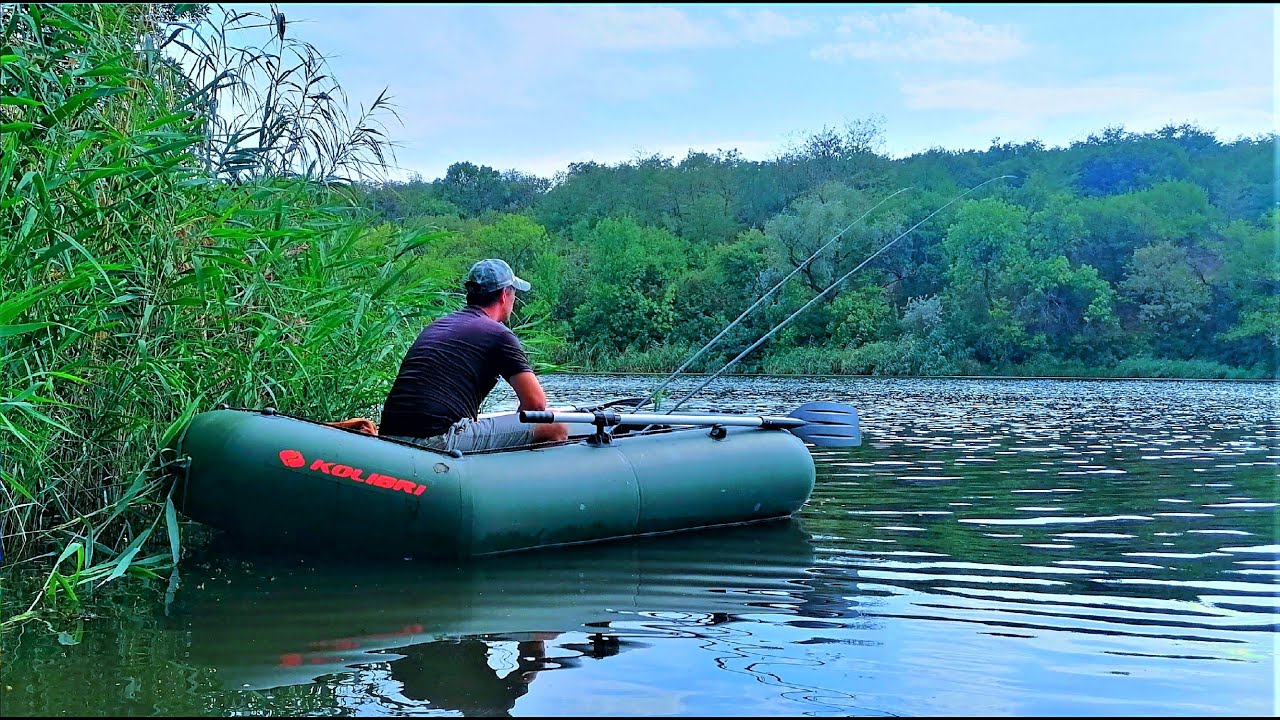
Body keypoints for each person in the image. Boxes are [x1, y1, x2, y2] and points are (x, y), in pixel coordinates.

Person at [379, 258, 568, 452]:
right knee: (554, 426)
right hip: (436, 439)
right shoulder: (498, 334)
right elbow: (536, 404)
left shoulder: (437, 326)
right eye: (514, 293)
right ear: (504, 295)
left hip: (388, 436)